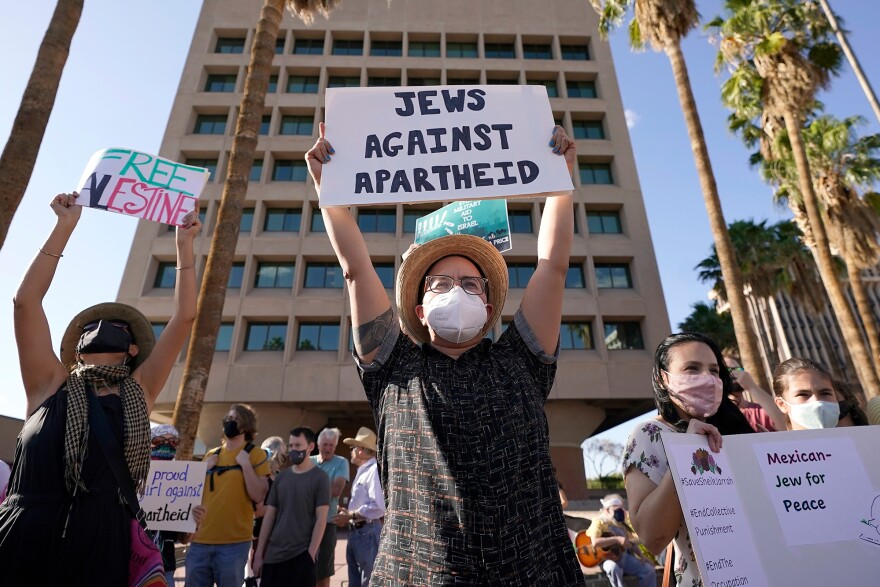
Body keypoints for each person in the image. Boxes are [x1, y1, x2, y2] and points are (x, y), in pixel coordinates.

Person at [309, 122, 581, 584]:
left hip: (533, 570)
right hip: (417, 573)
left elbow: (552, 267)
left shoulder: (522, 361)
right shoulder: (393, 366)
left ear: (490, 306)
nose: (456, 289)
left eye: (470, 283)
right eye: (440, 283)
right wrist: (329, 192)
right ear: (419, 307)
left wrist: (561, 184)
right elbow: (356, 270)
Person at [0, 192, 200, 585]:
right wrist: (64, 227)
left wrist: (184, 247)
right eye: (91, 326)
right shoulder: (48, 383)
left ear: (134, 349)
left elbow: (186, 317)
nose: (100, 326)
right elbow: (25, 302)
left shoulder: (139, 391)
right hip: (25, 537)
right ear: (78, 347)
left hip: (101, 543)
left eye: (117, 325)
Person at [622, 332, 754, 586]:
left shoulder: (735, 431)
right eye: (692, 368)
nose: (707, 378)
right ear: (663, 378)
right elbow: (652, 537)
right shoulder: (649, 435)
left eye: (714, 371)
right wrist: (687, 452)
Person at [186, 403, 271, 587]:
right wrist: (203, 468)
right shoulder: (211, 454)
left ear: (246, 425)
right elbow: (190, 492)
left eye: (236, 420)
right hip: (201, 541)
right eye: (229, 419)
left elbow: (259, 495)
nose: (230, 423)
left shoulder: (255, 455)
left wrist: (246, 465)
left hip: (234, 544)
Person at [252, 427, 330, 587]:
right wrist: (259, 555)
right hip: (273, 557)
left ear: (310, 447)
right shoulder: (282, 478)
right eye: (291, 446)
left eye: (298, 446)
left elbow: (321, 519)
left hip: (301, 557)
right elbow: (269, 517)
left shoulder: (320, 478)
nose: (293, 450)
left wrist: (310, 555)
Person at [149, 424, 207, 586]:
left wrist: (195, 522)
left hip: (165, 566)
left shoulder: (181, 484)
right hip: (133, 562)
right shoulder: (134, 476)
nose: (166, 445)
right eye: (159, 440)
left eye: (173, 442)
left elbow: (184, 538)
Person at [334, 427, 385, 587]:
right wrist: (349, 515)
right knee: (357, 581)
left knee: (367, 581)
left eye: (353, 447)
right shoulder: (365, 470)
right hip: (360, 532)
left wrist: (350, 515)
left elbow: (378, 507)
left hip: (367, 533)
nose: (352, 451)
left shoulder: (373, 471)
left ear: (362, 450)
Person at [586, 494, 656, 587]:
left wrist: (642, 557)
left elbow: (631, 542)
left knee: (649, 570)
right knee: (613, 568)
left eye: (621, 509)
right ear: (607, 510)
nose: (620, 512)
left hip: (624, 558)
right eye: (617, 510)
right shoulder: (599, 521)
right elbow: (595, 542)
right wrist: (617, 539)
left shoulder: (621, 523)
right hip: (606, 559)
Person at [311, 427, 350, 587]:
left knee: (324, 569)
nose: (327, 449)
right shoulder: (309, 461)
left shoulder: (341, 462)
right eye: (325, 444)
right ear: (318, 445)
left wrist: (310, 490)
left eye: (331, 446)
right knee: (305, 566)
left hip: (327, 523)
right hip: (307, 522)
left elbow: (336, 490)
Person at [771, 358, 841, 430]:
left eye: (825, 393)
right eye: (803, 394)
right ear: (782, 404)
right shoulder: (775, 441)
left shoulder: (851, 439)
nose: (817, 402)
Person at [252, 436, 292, 560]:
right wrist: (280, 506)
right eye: (282, 454)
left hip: (278, 537)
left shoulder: (282, 477)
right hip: (259, 537)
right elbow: (257, 512)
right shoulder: (260, 477)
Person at [723, 357, 785, 432]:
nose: (733, 374)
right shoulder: (718, 413)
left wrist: (752, 386)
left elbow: (784, 423)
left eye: (737, 370)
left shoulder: (761, 410)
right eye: (727, 370)